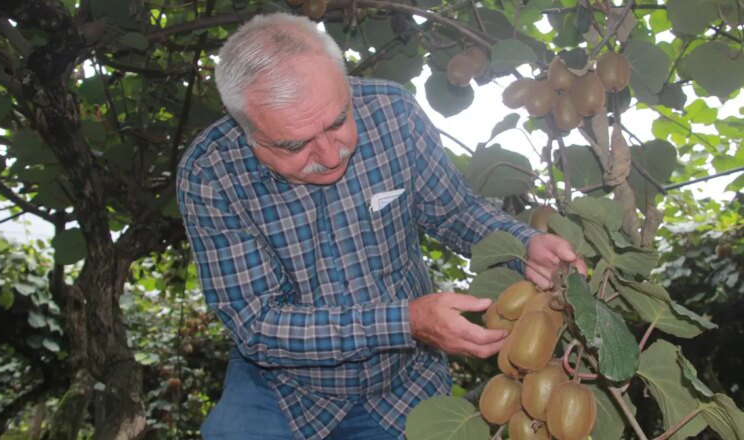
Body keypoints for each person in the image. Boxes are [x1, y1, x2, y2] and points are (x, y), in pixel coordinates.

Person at [176, 12, 586, 440]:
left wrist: (526, 245)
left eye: (337, 122)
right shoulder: (210, 174)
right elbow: (258, 324)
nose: (331, 156)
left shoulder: (393, 114)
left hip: (402, 386)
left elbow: (453, 212)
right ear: (247, 132)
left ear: (346, 85)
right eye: (295, 145)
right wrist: (406, 322)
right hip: (281, 390)